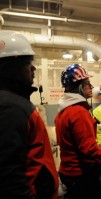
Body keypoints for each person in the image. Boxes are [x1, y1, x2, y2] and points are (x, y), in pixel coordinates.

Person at [0, 31, 59, 198]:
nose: (33, 68)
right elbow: (9, 177)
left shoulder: (14, 103)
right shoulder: (12, 108)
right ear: (10, 68)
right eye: (28, 63)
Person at [55, 64, 101, 199]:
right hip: (83, 175)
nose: (91, 87)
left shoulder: (62, 112)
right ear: (79, 87)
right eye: (87, 84)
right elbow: (89, 149)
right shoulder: (79, 112)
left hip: (68, 173)